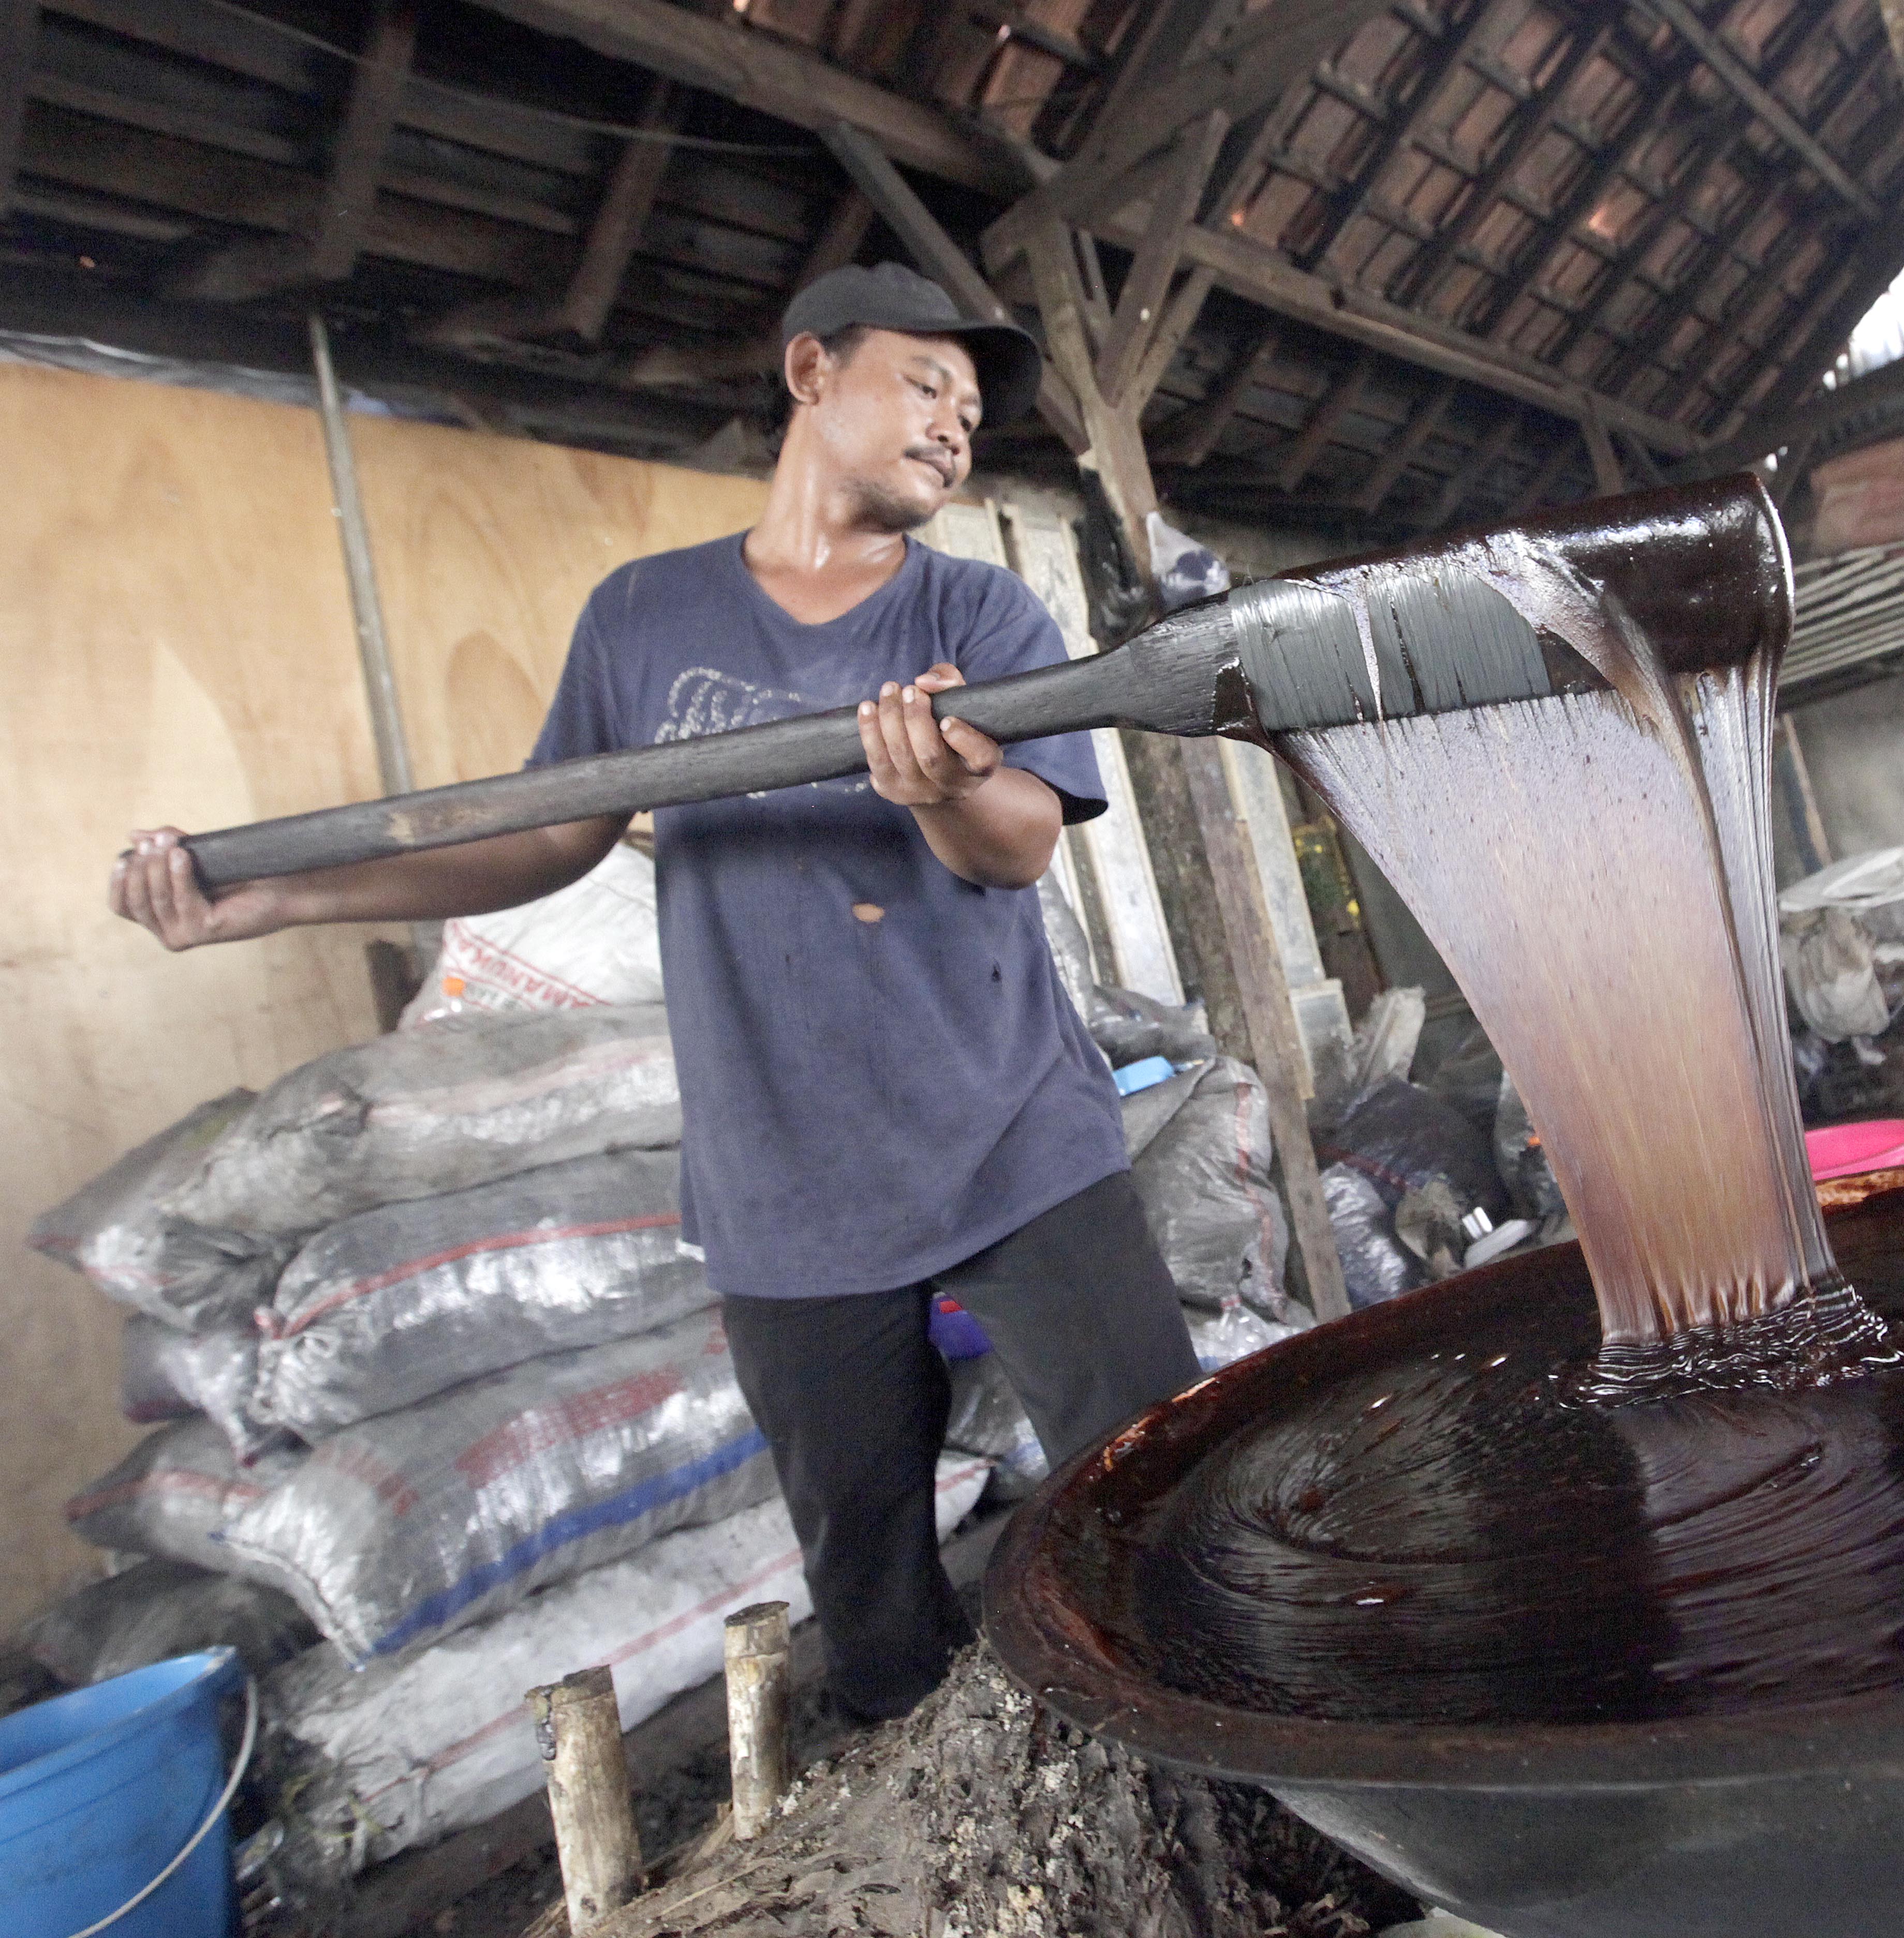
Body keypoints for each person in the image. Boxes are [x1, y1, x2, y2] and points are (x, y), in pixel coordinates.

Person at [109, 262, 1203, 1723]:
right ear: (811, 372)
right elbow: (546, 836)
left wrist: (941, 791)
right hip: (786, 1186)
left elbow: (1015, 845)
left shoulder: (982, 609)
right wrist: (273, 896)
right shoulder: (645, 615)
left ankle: (1226, 1770)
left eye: (968, 405)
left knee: (1163, 1498)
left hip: (1015, 1135)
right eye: (922, 383)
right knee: (873, 1593)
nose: (954, 422)